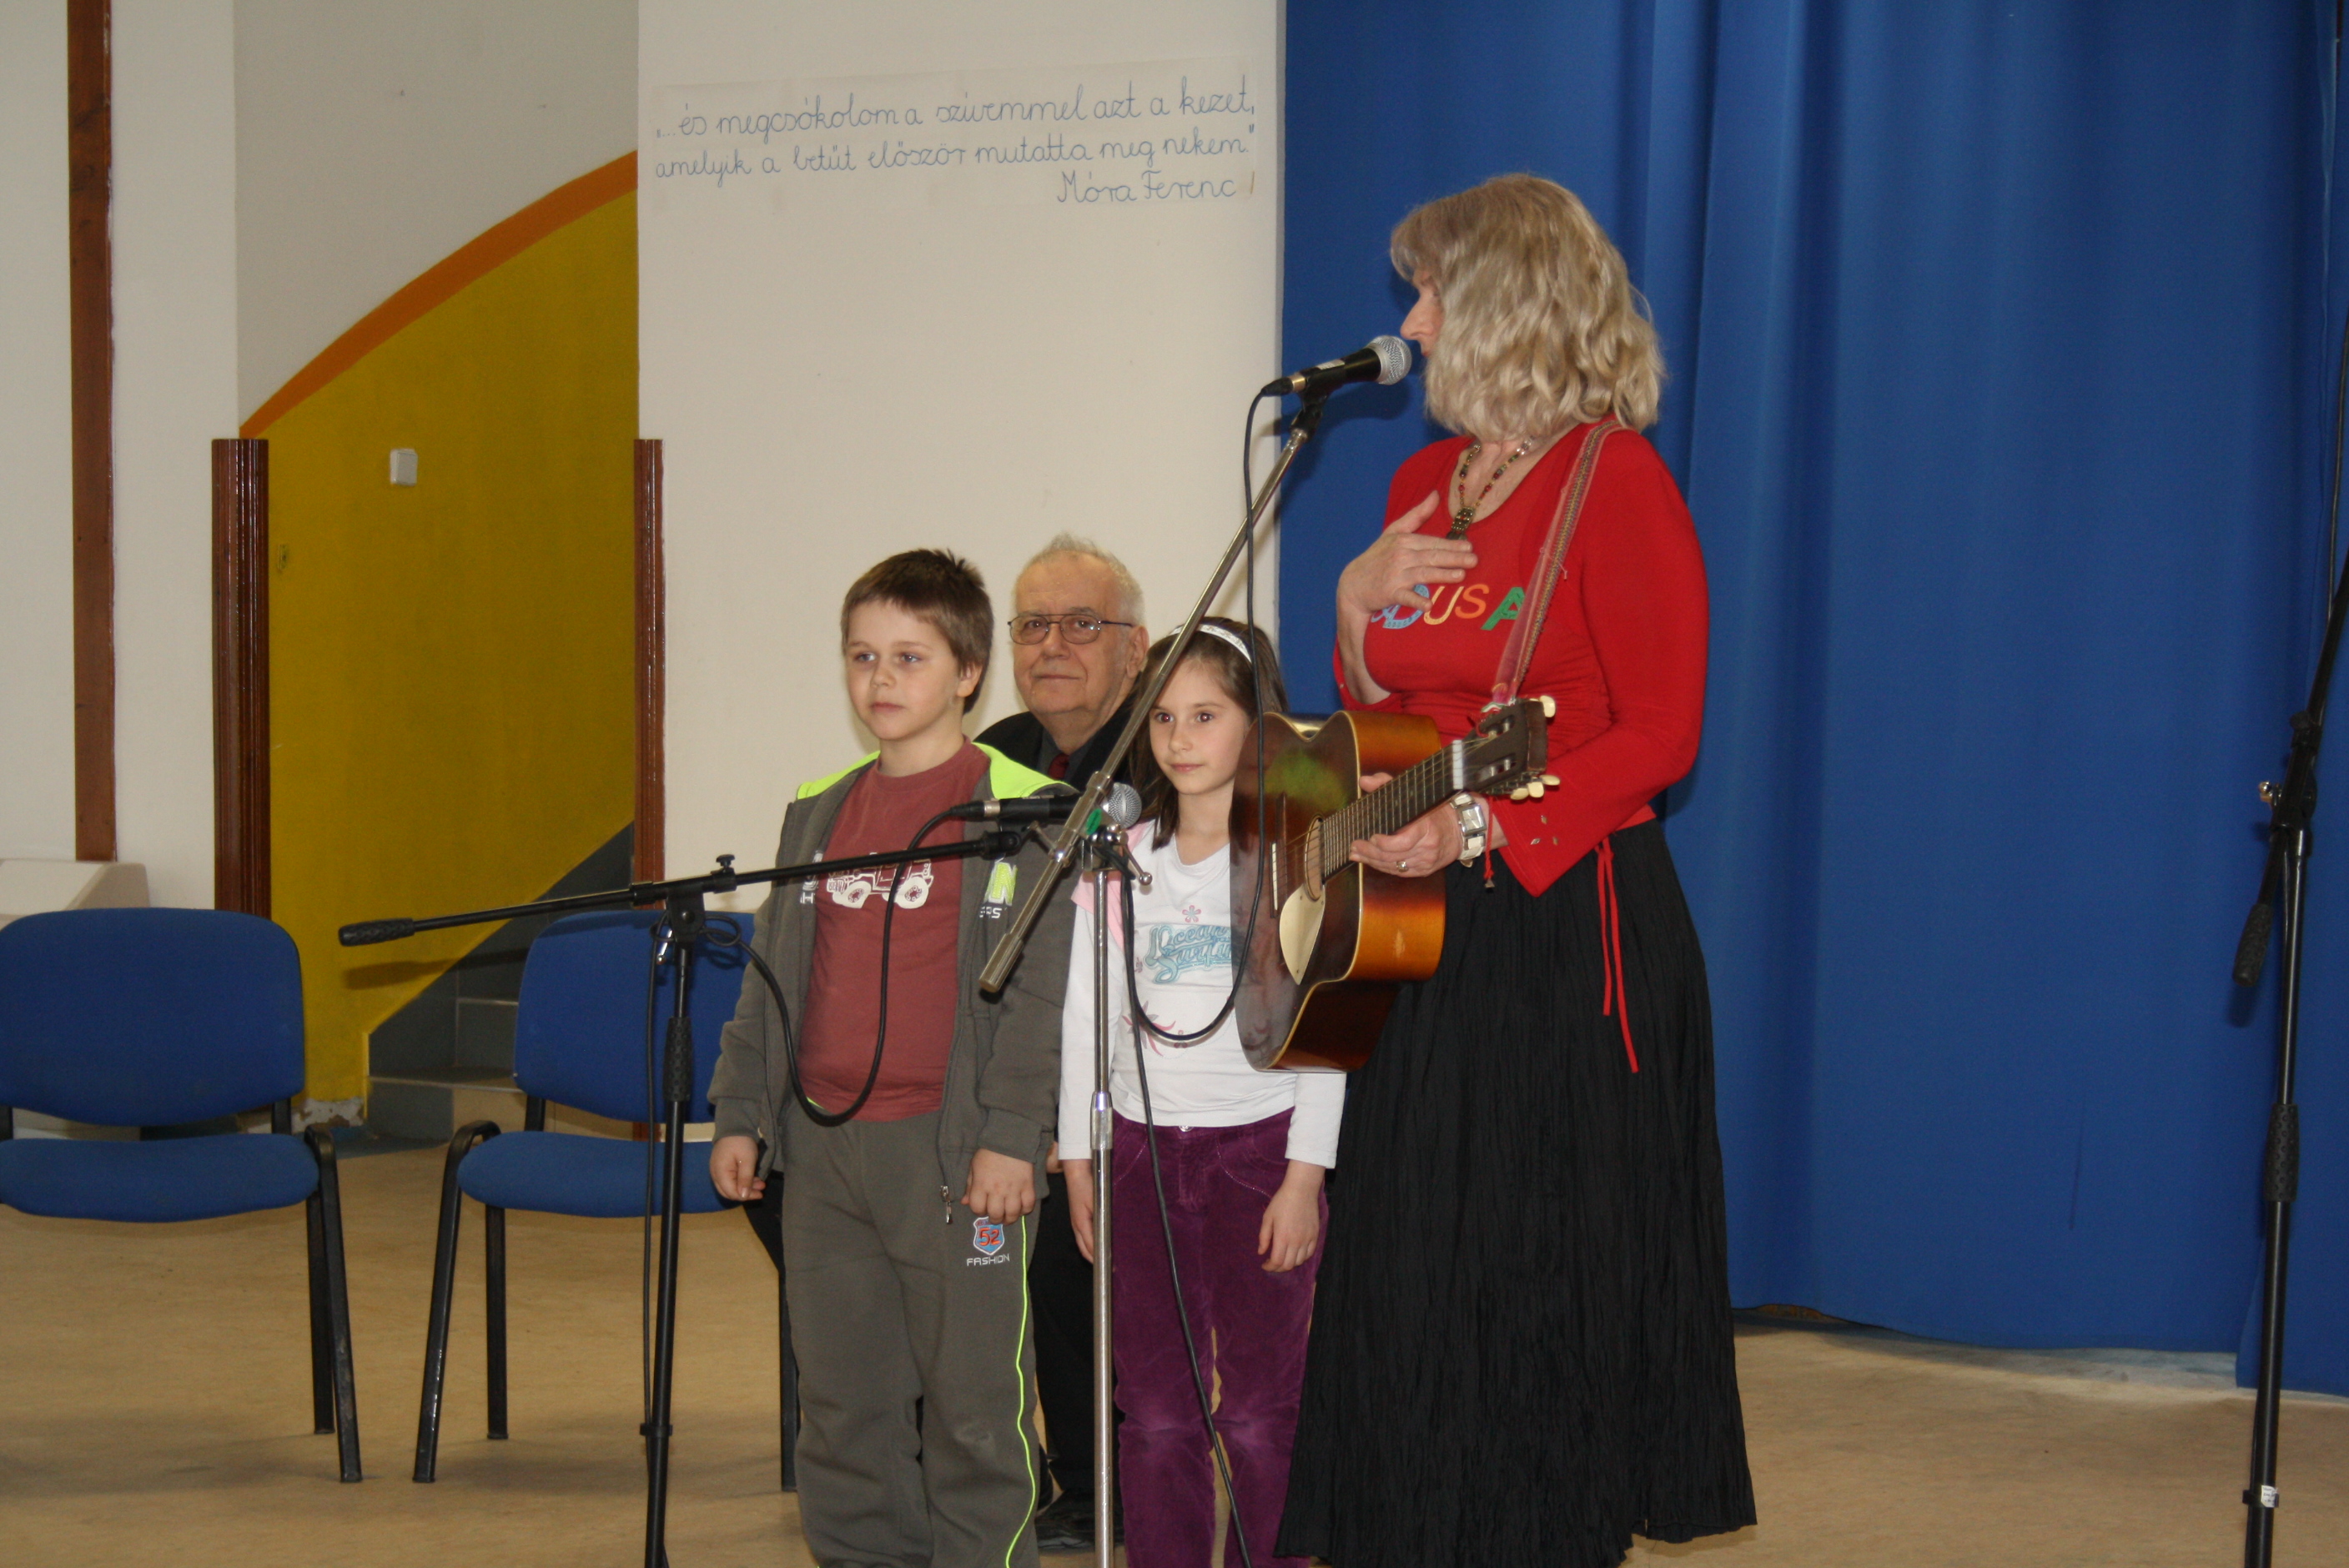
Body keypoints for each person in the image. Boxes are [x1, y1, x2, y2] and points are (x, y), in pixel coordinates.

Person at [1276, 174, 1756, 1568]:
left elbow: (1660, 736)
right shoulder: (1419, 485)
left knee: (1535, 1264)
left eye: (1433, 293)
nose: (1414, 324)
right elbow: (1380, 720)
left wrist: (1482, 829)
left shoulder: (1617, 480)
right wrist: (1350, 610)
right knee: (1414, 1247)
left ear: (1503, 305)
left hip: (1560, 923)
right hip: (1418, 917)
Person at [707, 548, 1074, 1568]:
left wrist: (1011, 1133)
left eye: (909, 657)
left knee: (972, 1408)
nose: (879, 678)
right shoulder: (819, 808)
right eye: (862, 655)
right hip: (825, 1150)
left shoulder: (1024, 808)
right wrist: (741, 1108)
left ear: (968, 672)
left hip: (953, 1154)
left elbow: (1043, 996)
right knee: (842, 1405)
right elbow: (773, 975)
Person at [1059, 617, 1341, 1568]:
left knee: (1258, 1410)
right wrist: (1078, 1155)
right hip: (1140, 1154)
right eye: (1164, 717)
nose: (1180, 739)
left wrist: (1304, 1174)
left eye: (1206, 715)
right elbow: (1086, 1019)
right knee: (1154, 1411)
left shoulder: (1294, 856)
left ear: (1258, 724)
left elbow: (1322, 1029)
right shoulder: (1120, 859)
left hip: (1258, 1151)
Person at [977, 533, 1152, 1552]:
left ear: (1135, 647)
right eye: (1032, 624)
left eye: (1081, 623)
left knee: (1053, 1216)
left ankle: (1097, 1477)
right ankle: (965, 1447)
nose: (1052, 645)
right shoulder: (996, 750)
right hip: (1015, 1047)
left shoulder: (1164, 747)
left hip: (1133, 1058)